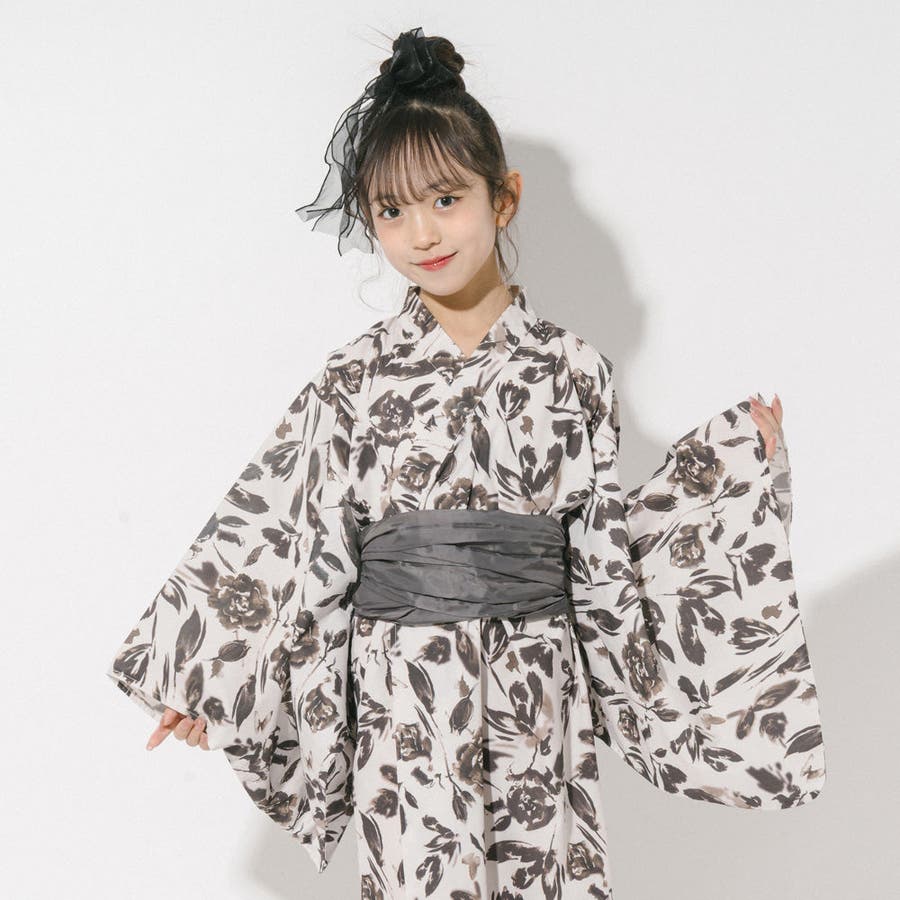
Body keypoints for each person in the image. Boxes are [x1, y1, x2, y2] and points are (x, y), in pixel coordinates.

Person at [107, 26, 825, 899]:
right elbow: (290, 535)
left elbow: (605, 559)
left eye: (446, 199)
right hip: (406, 697)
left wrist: (729, 475)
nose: (422, 232)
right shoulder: (354, 378)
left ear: (504, 197)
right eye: (391, 211)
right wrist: (212, 678)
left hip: (537, 689)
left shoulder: (574, 370)